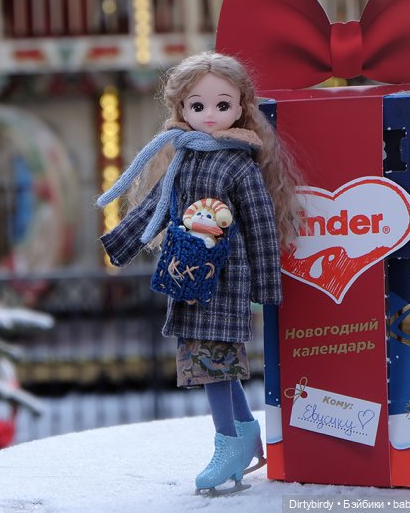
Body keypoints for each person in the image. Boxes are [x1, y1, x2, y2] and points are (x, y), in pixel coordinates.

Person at [96, 52, 302, 496]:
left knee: (209, 364)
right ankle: (244, 433)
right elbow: (156, 205)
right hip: (187, 273)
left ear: (241, 107)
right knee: (211, 360)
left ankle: (227, 444)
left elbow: (263, 224)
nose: (210, 115)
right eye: (198, 106)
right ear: (182, 110)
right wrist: (121, 243)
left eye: (222, 105)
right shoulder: (184, 158)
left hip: (225, 280)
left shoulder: (239, 165)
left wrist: (267, 286)